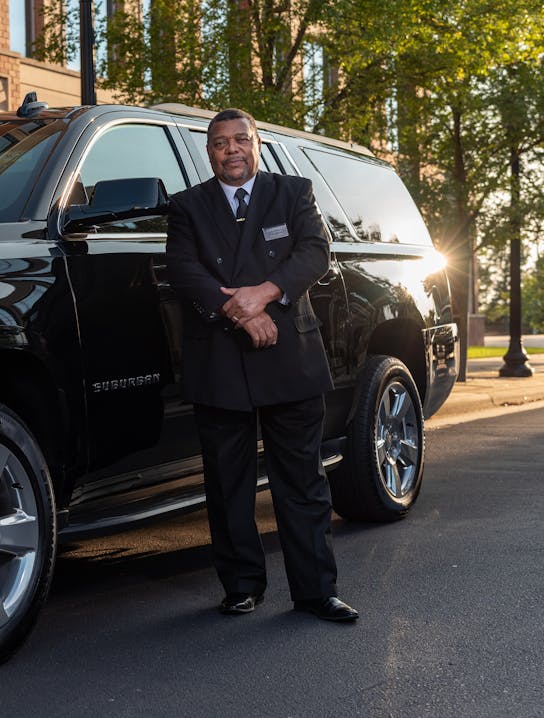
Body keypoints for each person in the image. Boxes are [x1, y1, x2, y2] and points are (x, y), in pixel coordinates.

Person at [165, 108, 359, 622]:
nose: (231, 149)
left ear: (257, 144)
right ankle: (241, 586)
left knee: (302, 481)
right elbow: (184, 270)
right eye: (220, 143)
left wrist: (264, 295)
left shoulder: (292, 192)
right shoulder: (187, 206)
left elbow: (315, 252)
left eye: (240, 140)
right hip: (220, 363)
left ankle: (317, 591)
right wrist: (239, 311)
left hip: (289, 359)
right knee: (227, 485)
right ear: (209, 153)